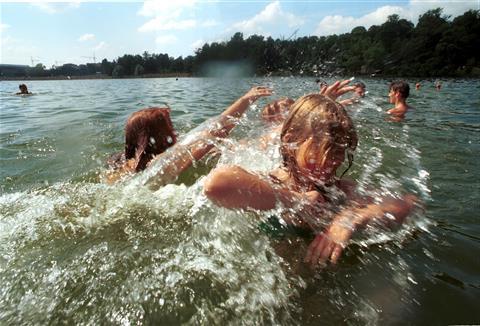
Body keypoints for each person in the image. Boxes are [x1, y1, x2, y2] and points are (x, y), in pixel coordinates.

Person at [203, 79, 417, 267]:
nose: (332, 161)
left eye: (339, 151)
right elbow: (217, 183)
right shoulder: (273, 181)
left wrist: (351, 218)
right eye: (320, 149)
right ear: (290, 143)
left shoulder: (337, 189)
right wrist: (297, 200)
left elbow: (410, 203)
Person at [105, 86, 273, 184]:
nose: (174, 131)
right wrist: (245, 100)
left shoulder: (122, 163)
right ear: (157, 135)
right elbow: (213, 133)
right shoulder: (160, 162)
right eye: (169, 126)